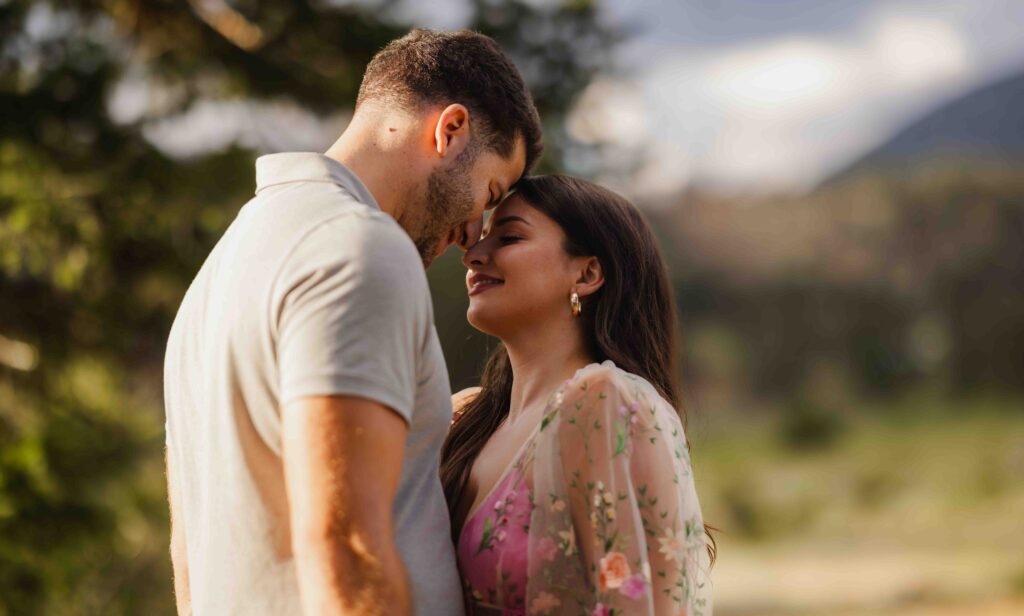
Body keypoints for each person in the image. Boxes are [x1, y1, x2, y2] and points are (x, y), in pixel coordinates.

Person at [163, 29, 542, 615]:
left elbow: (189, 553)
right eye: (488, 192)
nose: (474, 233)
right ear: (452, 129)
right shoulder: (360, 247)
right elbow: (347, 548)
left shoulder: (221, 268)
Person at [441, 175, 714, 615]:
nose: (473, 254)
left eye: (508, 236)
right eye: (481, 238)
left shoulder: (602, 404)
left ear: (587, 273)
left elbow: (630, 598)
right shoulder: (464, 418)